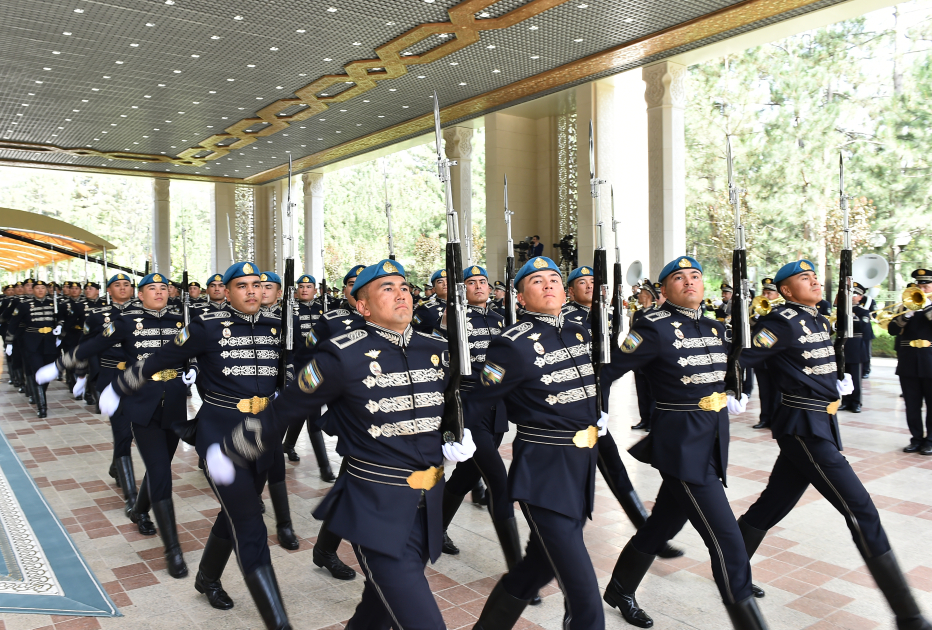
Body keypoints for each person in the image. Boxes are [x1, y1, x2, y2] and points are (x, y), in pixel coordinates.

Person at [212, 259, 475, 630]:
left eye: (403, 287)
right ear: (363, 306)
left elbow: (448, 406)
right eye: (386, 289)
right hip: (376, 505)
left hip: (427, 504)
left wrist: (454, 437)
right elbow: (283, 410)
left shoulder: (435, 348)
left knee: (377, 610)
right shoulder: (341, 354)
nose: (400, 294)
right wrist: (231, 450)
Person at [90, 263, 294, 627]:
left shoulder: (276, 327)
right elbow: (159, 359)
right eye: (241, 286)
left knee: (233, 515)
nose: (251, 291)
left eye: (257, 285)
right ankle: (279, 621)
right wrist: (118, 387)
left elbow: (289, 372)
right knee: (250, 523)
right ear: (226, 292)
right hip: (221, 438)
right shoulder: (205, 327)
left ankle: (208, 577)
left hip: (261, 435)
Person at [736, 260, 932, 630]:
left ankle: (731, 570)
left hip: (820, 422)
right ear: (786, 291)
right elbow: (741, 358)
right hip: (803, 428)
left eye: (814, 276)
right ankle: (909, 615)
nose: (813, 280)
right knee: (862, 512)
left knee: (771, 506)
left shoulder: (817, 319)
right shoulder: (780, 321)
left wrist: (835, 380)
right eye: (802, 278)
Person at [600, 256, 766, 630]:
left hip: (710, 441)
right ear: (664, 289)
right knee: (728, 543)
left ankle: (620, 588)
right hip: (682, 447)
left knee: (661, 526)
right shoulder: (651, 328)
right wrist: (593, 413)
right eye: (679, 277)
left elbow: (736, 365)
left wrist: (732, 389)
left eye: (695, 276)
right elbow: (608, 371)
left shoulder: (715, 328)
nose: (690, 281)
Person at [465, 257, 608, 630]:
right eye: (536, 281)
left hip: (579, 468)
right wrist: (452, 435)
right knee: (586, 598)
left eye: (554, 280)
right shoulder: (510, 345)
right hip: (544, 474)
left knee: (534, 569)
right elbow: (476, 401)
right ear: (520, 297)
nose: (548, 285)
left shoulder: (579, 330)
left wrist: (598, 412)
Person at [39, 272, 194, 579]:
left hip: (174, 405)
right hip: (142, 405)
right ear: (141, 293)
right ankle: (172, 550)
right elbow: (93, 344)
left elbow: (194, 352)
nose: (160, 292)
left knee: (158, 467)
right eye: (153, 288)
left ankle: (138, 510)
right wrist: (61, 365)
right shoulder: (126, 320)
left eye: (164, 288)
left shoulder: (180, 319)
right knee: (162, 474)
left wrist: (193, 369)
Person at [563, 267, 683, 558]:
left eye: (594, 281)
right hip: (571, 413)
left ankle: (648, 533)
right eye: (583, 282)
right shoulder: (565, 319)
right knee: (573, 482)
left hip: (596, 411)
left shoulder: (606, 314)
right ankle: (554, 550)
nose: (590, 286)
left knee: (616, 471)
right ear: (570, 291)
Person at [438, 266, 522, 575]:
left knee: (465, 477)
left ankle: (434, 527)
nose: (478, 286)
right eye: (471, 282)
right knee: (499, 481)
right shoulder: (454, 319)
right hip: (469, 406)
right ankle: (517, 566)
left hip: (496, 405)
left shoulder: (501, 319)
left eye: (482, 282)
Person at [80, 273, 151, 527]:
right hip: (112, 378)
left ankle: (116, 466)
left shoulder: (145, 313)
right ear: (109, 290)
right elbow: (87, 346)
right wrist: (86, 375)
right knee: (122, 431)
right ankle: (131, 497)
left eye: (127, 284)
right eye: (117, 285)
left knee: (132, 431)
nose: (123, 288)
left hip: (140, 379)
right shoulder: (97, 316)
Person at [887, 268, 932, 455]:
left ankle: (930, 441)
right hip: (908, 362)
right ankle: (916, 439)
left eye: (925, 285)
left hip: (930, 360)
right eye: (919, 285)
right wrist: (905, 316)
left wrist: (927, 306)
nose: (921, 288)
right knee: (912, 404)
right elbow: (892, 330)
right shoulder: (905, 305)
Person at [5, 280, 62, 418]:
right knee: (38, 371)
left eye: (43, 288)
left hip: (50, 342)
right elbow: (13, 324)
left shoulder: (53, 304)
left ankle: (39, 394)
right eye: (38, 288)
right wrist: (9, 343)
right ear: (33, 290)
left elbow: (60, 319)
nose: (41, 290)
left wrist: (60, 328)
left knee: (47, 374)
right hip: (32, 342)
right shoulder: (24, 305)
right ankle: (42, 407)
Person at [282, 274, 323, 462]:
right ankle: (324, 465)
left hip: (322, 364)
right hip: (300, 365)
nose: (304, 289)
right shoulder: (290, 310)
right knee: (311, 410)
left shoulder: (323, 308)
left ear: (315, 290)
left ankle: (288, 444)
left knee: (305, 409)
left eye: (308, 286)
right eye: (301, 286)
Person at [630, 281, 662, 431]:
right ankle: (644, 419)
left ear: (649, 295)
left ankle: (652, 422)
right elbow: (631, 336)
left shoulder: (657, 314)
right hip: (638, 360)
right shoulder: (636, 314)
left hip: (652, 361)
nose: (639, 295)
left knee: (652, 392)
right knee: (641, 391)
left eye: (642, 293)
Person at [839, 281, 871, 413]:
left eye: (856, 294)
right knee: (843, 376)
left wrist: (852, 315)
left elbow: (864, 327)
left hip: (856, 346)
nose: (852, 296)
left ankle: (856, 402)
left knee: (856, 378)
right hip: (843, 346)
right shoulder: (842, 309)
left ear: (860, 297)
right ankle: (845, 401)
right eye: (851, 293)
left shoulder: (862, 311)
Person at [412, 269, 447, 334]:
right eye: (440, 282)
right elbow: (413, 331)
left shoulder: (463, 307)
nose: (445, 284)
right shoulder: (427, 309)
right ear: (434, 289)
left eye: (448, 280)